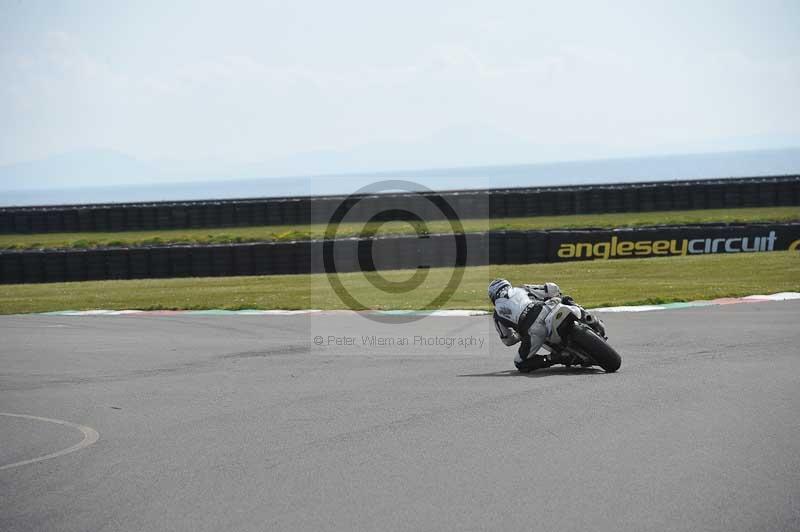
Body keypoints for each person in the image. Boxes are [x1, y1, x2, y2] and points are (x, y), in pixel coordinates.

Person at [488, 278, 572, 373]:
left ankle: (556, 357)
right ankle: (579, 311)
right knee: (566, 300)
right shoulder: (522, 288)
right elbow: (551, 288)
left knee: (520, 362)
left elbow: (508, 340)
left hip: (534, 330)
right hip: (547, 309)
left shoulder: (497, 314)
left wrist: (519, 336)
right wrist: (559, 296)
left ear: (493, 297)